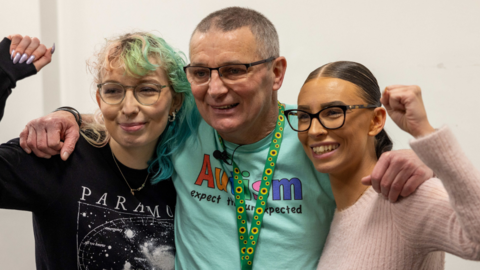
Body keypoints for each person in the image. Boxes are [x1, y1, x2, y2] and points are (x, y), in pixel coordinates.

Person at [19, 7, 435, 270]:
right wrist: (68, 115)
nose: (215, 89)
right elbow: (132, 113)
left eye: (234, 70)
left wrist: (423, 161)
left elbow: (374, 173)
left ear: (276, 73)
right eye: (200, 72)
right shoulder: (188, 124)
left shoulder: (310, 134)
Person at [0, 32, 200, 269]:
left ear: (175, 101)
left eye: (147, 90)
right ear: (99, 98)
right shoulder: (60, 157)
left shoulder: (190, 173)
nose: (128, 108)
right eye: (113, 91)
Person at [284, 61, 480, 269]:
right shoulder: (336, 216)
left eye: (333, 112)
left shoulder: (405, 196)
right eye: (304, 116)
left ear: (376, 121)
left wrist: (425, 132)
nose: (314, 130)